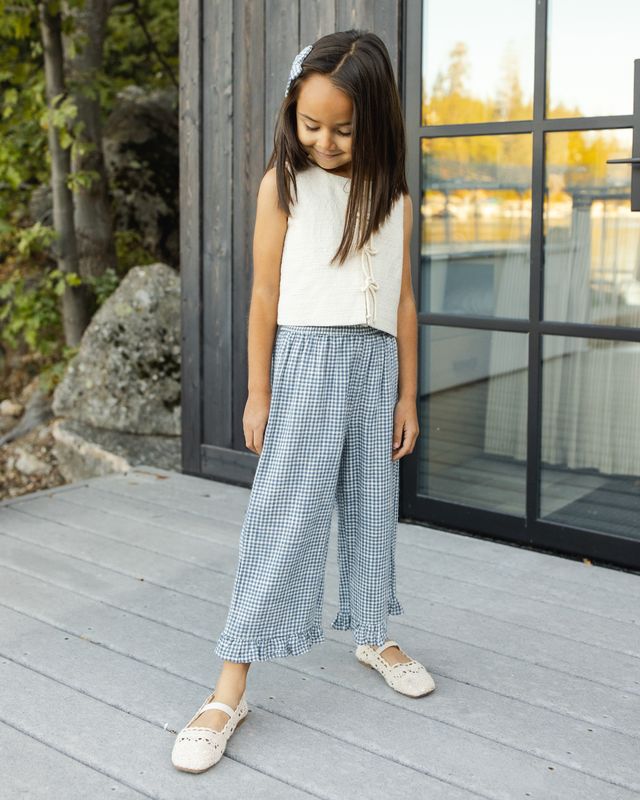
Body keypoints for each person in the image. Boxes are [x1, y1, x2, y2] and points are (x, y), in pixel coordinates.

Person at [171, 29, 435, 774]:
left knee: (372, 506)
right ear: (293, 112)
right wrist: (259, 390)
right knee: (284, 517)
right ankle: (229, 686)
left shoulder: (394, 196)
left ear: (374, 121)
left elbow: (403, 301)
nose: (324, 141)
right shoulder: (283, 186)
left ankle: (371, 632)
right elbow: (263, 294)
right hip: (308, 363)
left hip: (375, 365)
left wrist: (408, 394)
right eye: (310, 123)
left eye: (343, 129)